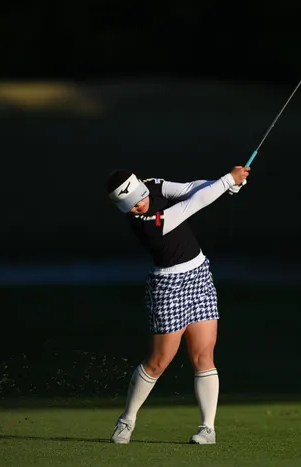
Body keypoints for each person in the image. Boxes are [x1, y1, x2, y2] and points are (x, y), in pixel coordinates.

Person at [104, 165, 250, 445]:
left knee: (203, 355)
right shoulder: (147, 223)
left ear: (141, 187)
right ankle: (127, 420)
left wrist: (227, 184)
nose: (136, 206)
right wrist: (226, 181)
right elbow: (193, 204)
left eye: (137, 199)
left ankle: (207, 429)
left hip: (199, 274)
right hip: (168, 285)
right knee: (159, 361)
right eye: (129, 205)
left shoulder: (152, 185)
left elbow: (189, 189)